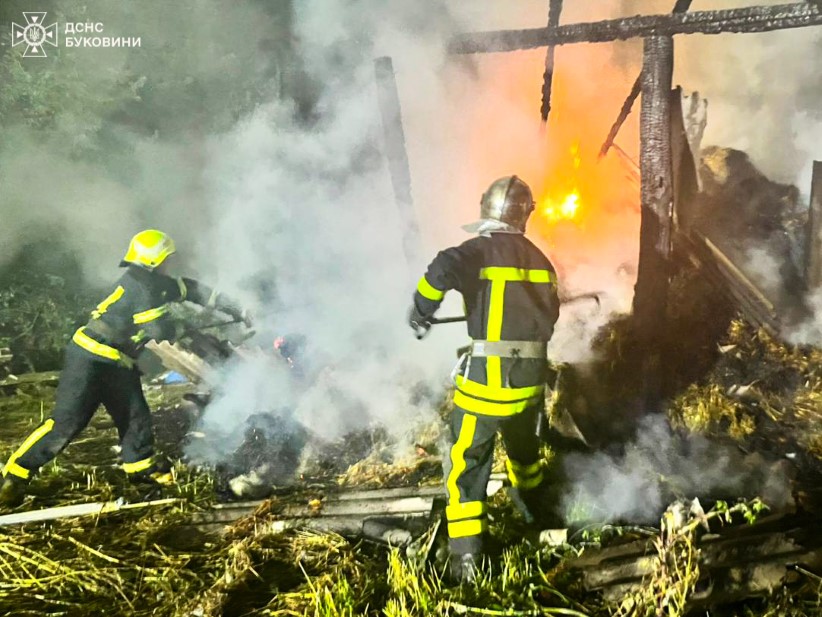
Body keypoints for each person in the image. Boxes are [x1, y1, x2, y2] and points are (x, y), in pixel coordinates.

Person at [0, 230, 251, 507]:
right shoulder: (142, 287)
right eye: (166, 258)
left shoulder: (153, 281)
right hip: (90, 359)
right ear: (156, 260)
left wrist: (236, 308)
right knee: (67, 423)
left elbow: (191, 289)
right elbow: (158, 328)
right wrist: (183, 327)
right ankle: (14, 474)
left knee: (135, 417)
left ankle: (141, 469)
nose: (170, 263)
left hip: (119, 362)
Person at [409, 176, 560, 582]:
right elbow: (549, 319)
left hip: (487, 387)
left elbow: (441, 267)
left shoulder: (480, 250)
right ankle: (539, 518)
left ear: (486, 210)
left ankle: (468, 560)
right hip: (528, 389)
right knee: (525, 455)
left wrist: (421, 309)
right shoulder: (542, 262)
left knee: (466, 464)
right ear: (524, 215)